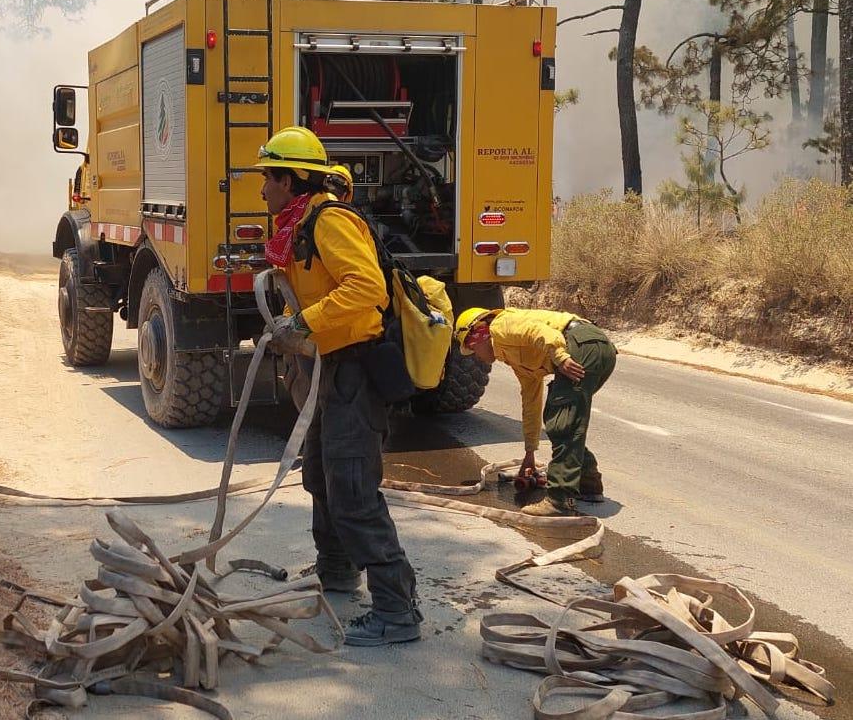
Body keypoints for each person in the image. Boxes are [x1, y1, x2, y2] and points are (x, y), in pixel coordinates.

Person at [255, 126, 421, 647]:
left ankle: (397, 611)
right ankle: (337, 572)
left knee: (351, 487)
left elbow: (366, 287)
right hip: (326, 368)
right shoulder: (300, 226)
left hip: (353, 370)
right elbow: (314, 288)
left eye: (268, 179)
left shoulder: (330, 221)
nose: (262, 191)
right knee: (321, 476)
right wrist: (291, 323)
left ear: (292, 178)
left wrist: (304, 323)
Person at [454, 307, 616, 516]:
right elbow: (531, 401)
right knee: (566, 421)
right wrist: (529, 453)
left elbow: (542, 333)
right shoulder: (513, 357)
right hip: (595, 347)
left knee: (563, 423)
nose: (476, 357)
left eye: (473, 350)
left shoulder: (500, 326)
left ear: (477, 336)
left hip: (581, 345)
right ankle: (589, 485)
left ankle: (559, 500)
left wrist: (560, 357)